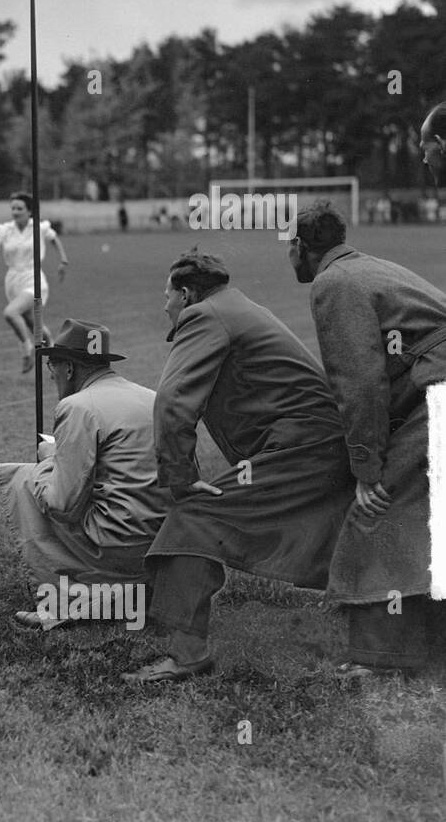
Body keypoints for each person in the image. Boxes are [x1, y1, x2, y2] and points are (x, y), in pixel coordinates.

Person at [123, 250, 353, 683]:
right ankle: (400, 621)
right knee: (344, 533)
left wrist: (181, 480)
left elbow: (172, 403)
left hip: (303, 445)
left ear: (186, 293)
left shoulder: (205, 316)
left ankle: (187, 656)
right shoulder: (238, 306)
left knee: (192, 521)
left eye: (167, 296)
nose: (164, 306)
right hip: (321, 443)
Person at [290, 200, 446, 677]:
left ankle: (381, 659)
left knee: (377, 516)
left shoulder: (333, 284)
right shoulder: (370, 267)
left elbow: (360, 385)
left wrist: (367, 469)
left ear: (299, 248)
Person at [0, 319, 168, 631]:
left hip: (119, 543)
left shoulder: (77, 406)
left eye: (53, 368)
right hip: (163, 540)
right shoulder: (151, 396)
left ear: (70, 369)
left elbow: (62, 504)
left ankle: (62, 602)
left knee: (24, 478)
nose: (53, 377)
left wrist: (50, 458)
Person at [0, 193, 68, 372]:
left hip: (33, 278)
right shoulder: (4, 229)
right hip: (13, 281)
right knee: (32, 323)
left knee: (10, 313)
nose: (15, 212)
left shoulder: (39, 226)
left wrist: (63, 260)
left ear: (29, 211)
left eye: (19, 208)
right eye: (13, 208)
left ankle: (27, 350)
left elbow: (53, 238)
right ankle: (54, 351)